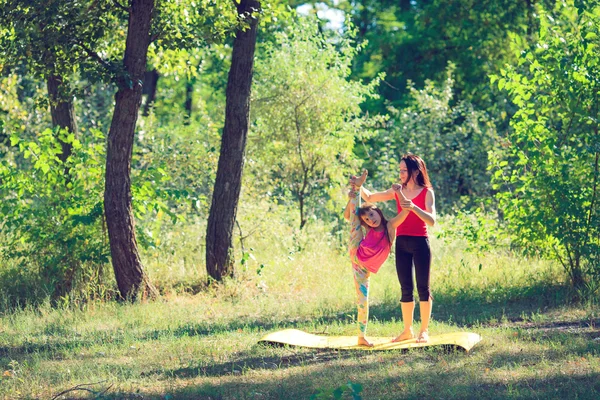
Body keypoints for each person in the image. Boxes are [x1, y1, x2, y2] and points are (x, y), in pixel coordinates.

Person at [351, 154, 436, 343]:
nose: (400, 174)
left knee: (423, 287)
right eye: (400, 170)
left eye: (404, 170)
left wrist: (414, 207)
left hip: (421, 242)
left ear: (415, 171)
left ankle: (424, 331)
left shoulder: (426, 191)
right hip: (402, 242)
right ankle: (407, 330)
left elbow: (432, 220)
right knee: (406, 288)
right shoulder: (398, 190)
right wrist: (357, 185)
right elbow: (371, 197)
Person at [343, 170, 409, 347]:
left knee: (363, 302)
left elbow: (405, 212)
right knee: (354, 219)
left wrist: (401, 193)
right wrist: (351, 198)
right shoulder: (367, 228)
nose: (370, 220)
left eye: (372, 215)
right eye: (367, 219)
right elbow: (348, 216)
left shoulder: (389, 227)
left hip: (365, 269)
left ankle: (361, 337)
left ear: (378, 211)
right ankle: (355, 188)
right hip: (357, 253)